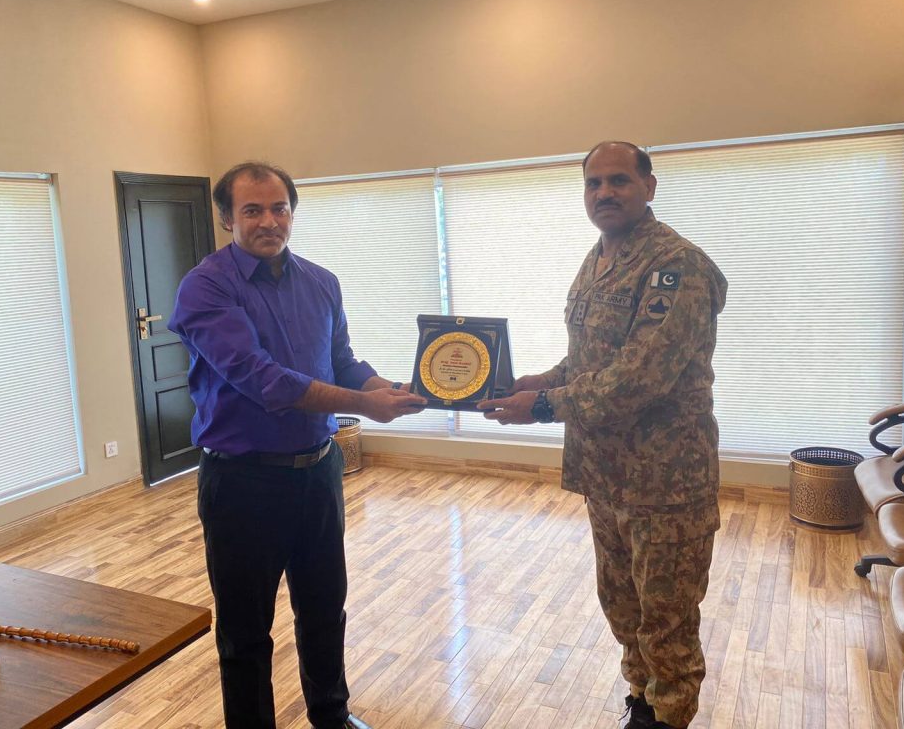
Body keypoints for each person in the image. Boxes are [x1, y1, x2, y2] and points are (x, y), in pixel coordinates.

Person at [478, 141, 727, 729]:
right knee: (621, 603)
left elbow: (641, 375)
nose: (605, 193)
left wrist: (539, 405)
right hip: (605, 472)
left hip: (664, 478)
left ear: (649, 186)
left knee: (665, 615)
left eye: (619, 180)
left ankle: (668, 716)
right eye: (593, 184)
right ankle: (640, 700)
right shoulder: (600, 259)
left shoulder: (677, 265)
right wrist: (539, 378)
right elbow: (589, 359)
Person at [169, 161, 427, 729]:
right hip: (242, 482)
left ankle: (331, 715)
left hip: (317, 473)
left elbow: (342, 361)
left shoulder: (321, 281)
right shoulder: (206, 287)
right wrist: (364, 405)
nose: (269, 221)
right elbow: (261, 379)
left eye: (279, 208)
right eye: (252, 210)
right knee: (244, 629)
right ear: (226, 218)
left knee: (323, 608)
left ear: (293, 211)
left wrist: (386, 388)